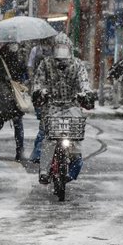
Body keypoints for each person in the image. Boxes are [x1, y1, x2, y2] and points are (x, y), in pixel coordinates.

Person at [32, 33, 96, 184]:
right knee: (49, 139)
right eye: (58, 49)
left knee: (76, 140)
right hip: (52, 106)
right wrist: (40, 92)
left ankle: (73, 170)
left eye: (64, 49)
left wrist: (85, 94)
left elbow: (84, 83)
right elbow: (38, 82)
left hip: (72, 105)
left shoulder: (77, 65)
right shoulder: (46, 64)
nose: (61, 53)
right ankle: (44, 171)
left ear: (70, 50)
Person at [0, 42, 25, 162]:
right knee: (17, 124)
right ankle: (19, 151)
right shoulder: (9, 60)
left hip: (2, 98)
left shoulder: (0, 60)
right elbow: (19, 75)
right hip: (9, 96)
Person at [27, 37, 54, 163]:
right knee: (43, 125)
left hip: (52, 93)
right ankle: (37, 153)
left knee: (45, 126)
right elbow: (30, 67)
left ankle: (38, 153)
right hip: (40, 92)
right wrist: (34, 83)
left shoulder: (55, 53)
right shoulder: (35, 50)